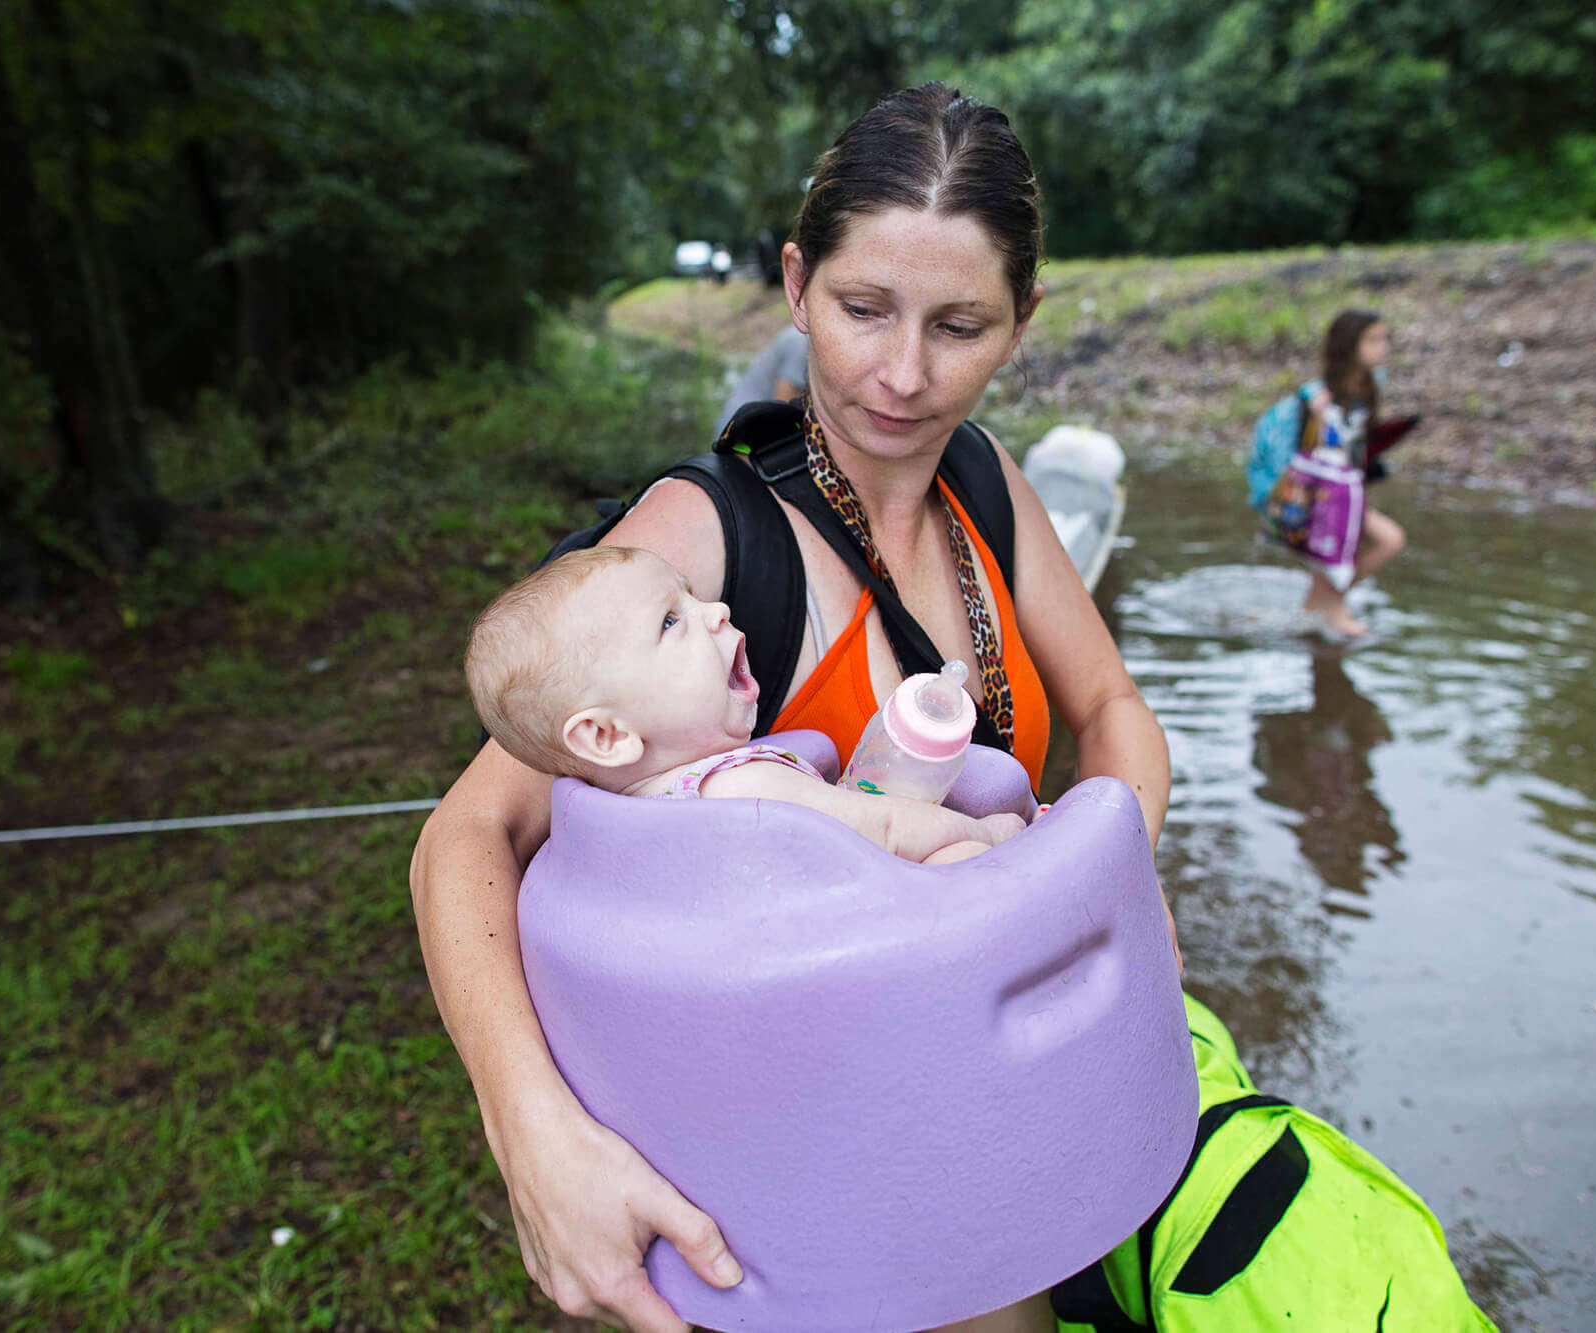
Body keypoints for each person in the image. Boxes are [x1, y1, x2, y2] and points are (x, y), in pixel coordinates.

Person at [410, 81, 1172, 1333]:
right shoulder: (702, 545)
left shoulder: (989, 485)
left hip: (986, 1121)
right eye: (862, 308)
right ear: (793, 285)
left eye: (960, 324)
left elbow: (1112, 706)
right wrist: (530, 1130)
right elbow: (462, 840)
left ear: (1021, 323)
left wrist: (1106, 878)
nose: (902, 374)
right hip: (801, 1169)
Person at [463, 544, 1026, 864]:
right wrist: (993, 837)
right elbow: (884, 834)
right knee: (959, 862)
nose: (718, 611)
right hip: (856, 946)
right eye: (669, 621)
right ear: (606, 737)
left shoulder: (607, 820)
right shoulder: (741, 789)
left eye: (692, 593)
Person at [1298, 309, 1409, 637]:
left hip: (1349, 490)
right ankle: (1329, 607)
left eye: (1384, 339)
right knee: (1388, 539)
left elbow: (1361, 440)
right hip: (1323, 493)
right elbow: (1309, 451)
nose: (1383, 347)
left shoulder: (1371, 385)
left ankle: (1323, 606)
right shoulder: (1321, 394)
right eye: (1373, 340)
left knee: (1342, 551)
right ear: (1349, 346)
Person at [713, 323, 809, 436]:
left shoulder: (803, 336)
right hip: (744, 426)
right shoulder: (801, 341)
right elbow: (785, 406)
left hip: (754, 421)